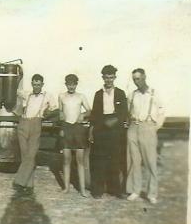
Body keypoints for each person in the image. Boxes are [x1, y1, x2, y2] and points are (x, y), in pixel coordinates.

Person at [12, 74, 58, 194]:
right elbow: (14, 90)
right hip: (24, 123)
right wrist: (16, 78)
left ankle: (19, 181)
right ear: (32, 84)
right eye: (34, 84)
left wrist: (46, 113)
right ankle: (29, 185)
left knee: (31, 155)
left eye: (38, 84)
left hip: (36, 123)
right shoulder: (26, 94)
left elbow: (55, 109)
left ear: (42, 84)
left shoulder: (48, 95)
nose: (36, 86)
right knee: (25, 154)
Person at [126, 68, 165, 204]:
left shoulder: (154, 93)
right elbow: (128, 110)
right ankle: (135, 190)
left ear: (144, 77)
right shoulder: (132, 95)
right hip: (133, 128)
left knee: (150, 161)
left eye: (139, 79)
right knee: (133, 161)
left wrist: (156, 126)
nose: (137, 82)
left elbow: (161, 111)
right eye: (134, 79)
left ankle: (151, 193)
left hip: (148, 127)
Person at [89, 65, 128, 199]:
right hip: (101, 129)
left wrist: (114, 120)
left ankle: (115, 189)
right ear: (103, 78)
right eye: (106, 78)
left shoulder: (121, 93)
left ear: (115, 78)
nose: (109, 80)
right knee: (99, 160)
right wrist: (93, 129)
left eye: (111, 77)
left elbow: (124, 112)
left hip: (115, 129)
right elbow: (94, 114)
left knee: (115, 160)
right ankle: (97, 190)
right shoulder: (98, 94)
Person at [58, 74, 91, 197]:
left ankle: (82, 189)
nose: (71, 86)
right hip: (67, 128)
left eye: (73, 84)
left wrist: (83, 115)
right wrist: (61, 123)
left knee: (80, 161)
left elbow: (89, 110)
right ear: (66, 84)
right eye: (69, 84)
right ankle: (66, 188)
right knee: (66, 160)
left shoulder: (81, 96)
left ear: (76, 84)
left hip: (78, 129)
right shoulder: (61, 96)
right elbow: (61, 112)